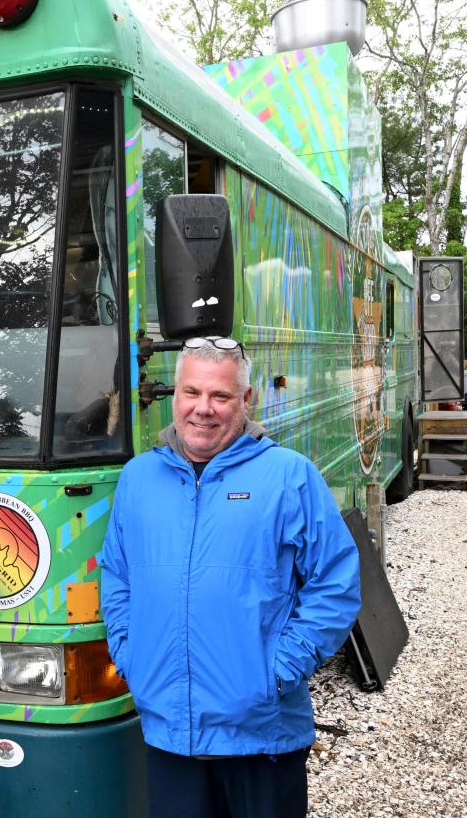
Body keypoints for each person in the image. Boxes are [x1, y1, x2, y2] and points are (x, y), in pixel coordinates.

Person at [100, 337, 360, 818]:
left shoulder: (289, 477)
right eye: (191, 393)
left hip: (262, 737)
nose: (203, 409)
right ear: (173, 396)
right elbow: (117, 575)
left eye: (220, 396)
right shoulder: (138, 478)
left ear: (247, 400)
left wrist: (277, 672)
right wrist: (129, 651)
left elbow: (336, 584)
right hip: (169, 733)